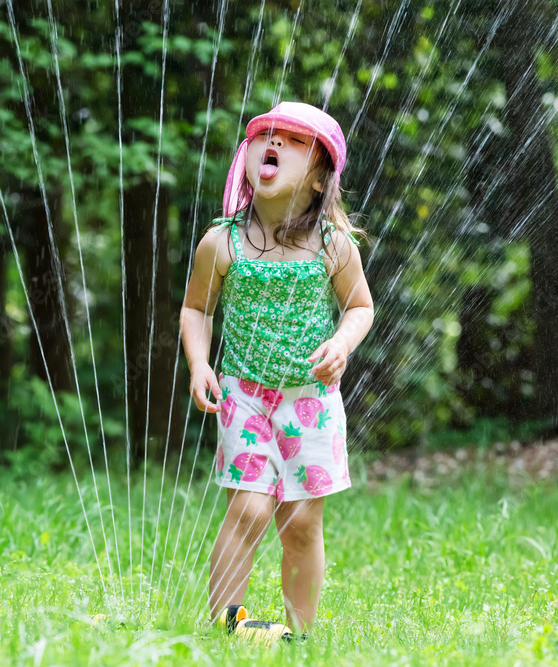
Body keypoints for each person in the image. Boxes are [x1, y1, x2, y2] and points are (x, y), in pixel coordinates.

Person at [179, 101, 374, 637]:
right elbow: (197, 308)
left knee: (303, 524)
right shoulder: (223, 241)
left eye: (293, 141)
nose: (276, 144)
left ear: (318, 180)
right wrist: (200, 363)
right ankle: (224, 623)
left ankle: (299, 635)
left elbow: (361, 307)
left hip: (309, 400)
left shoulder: (333, 246)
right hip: (245, 396)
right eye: (268, 136)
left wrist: (342, 342)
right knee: (248, 511)